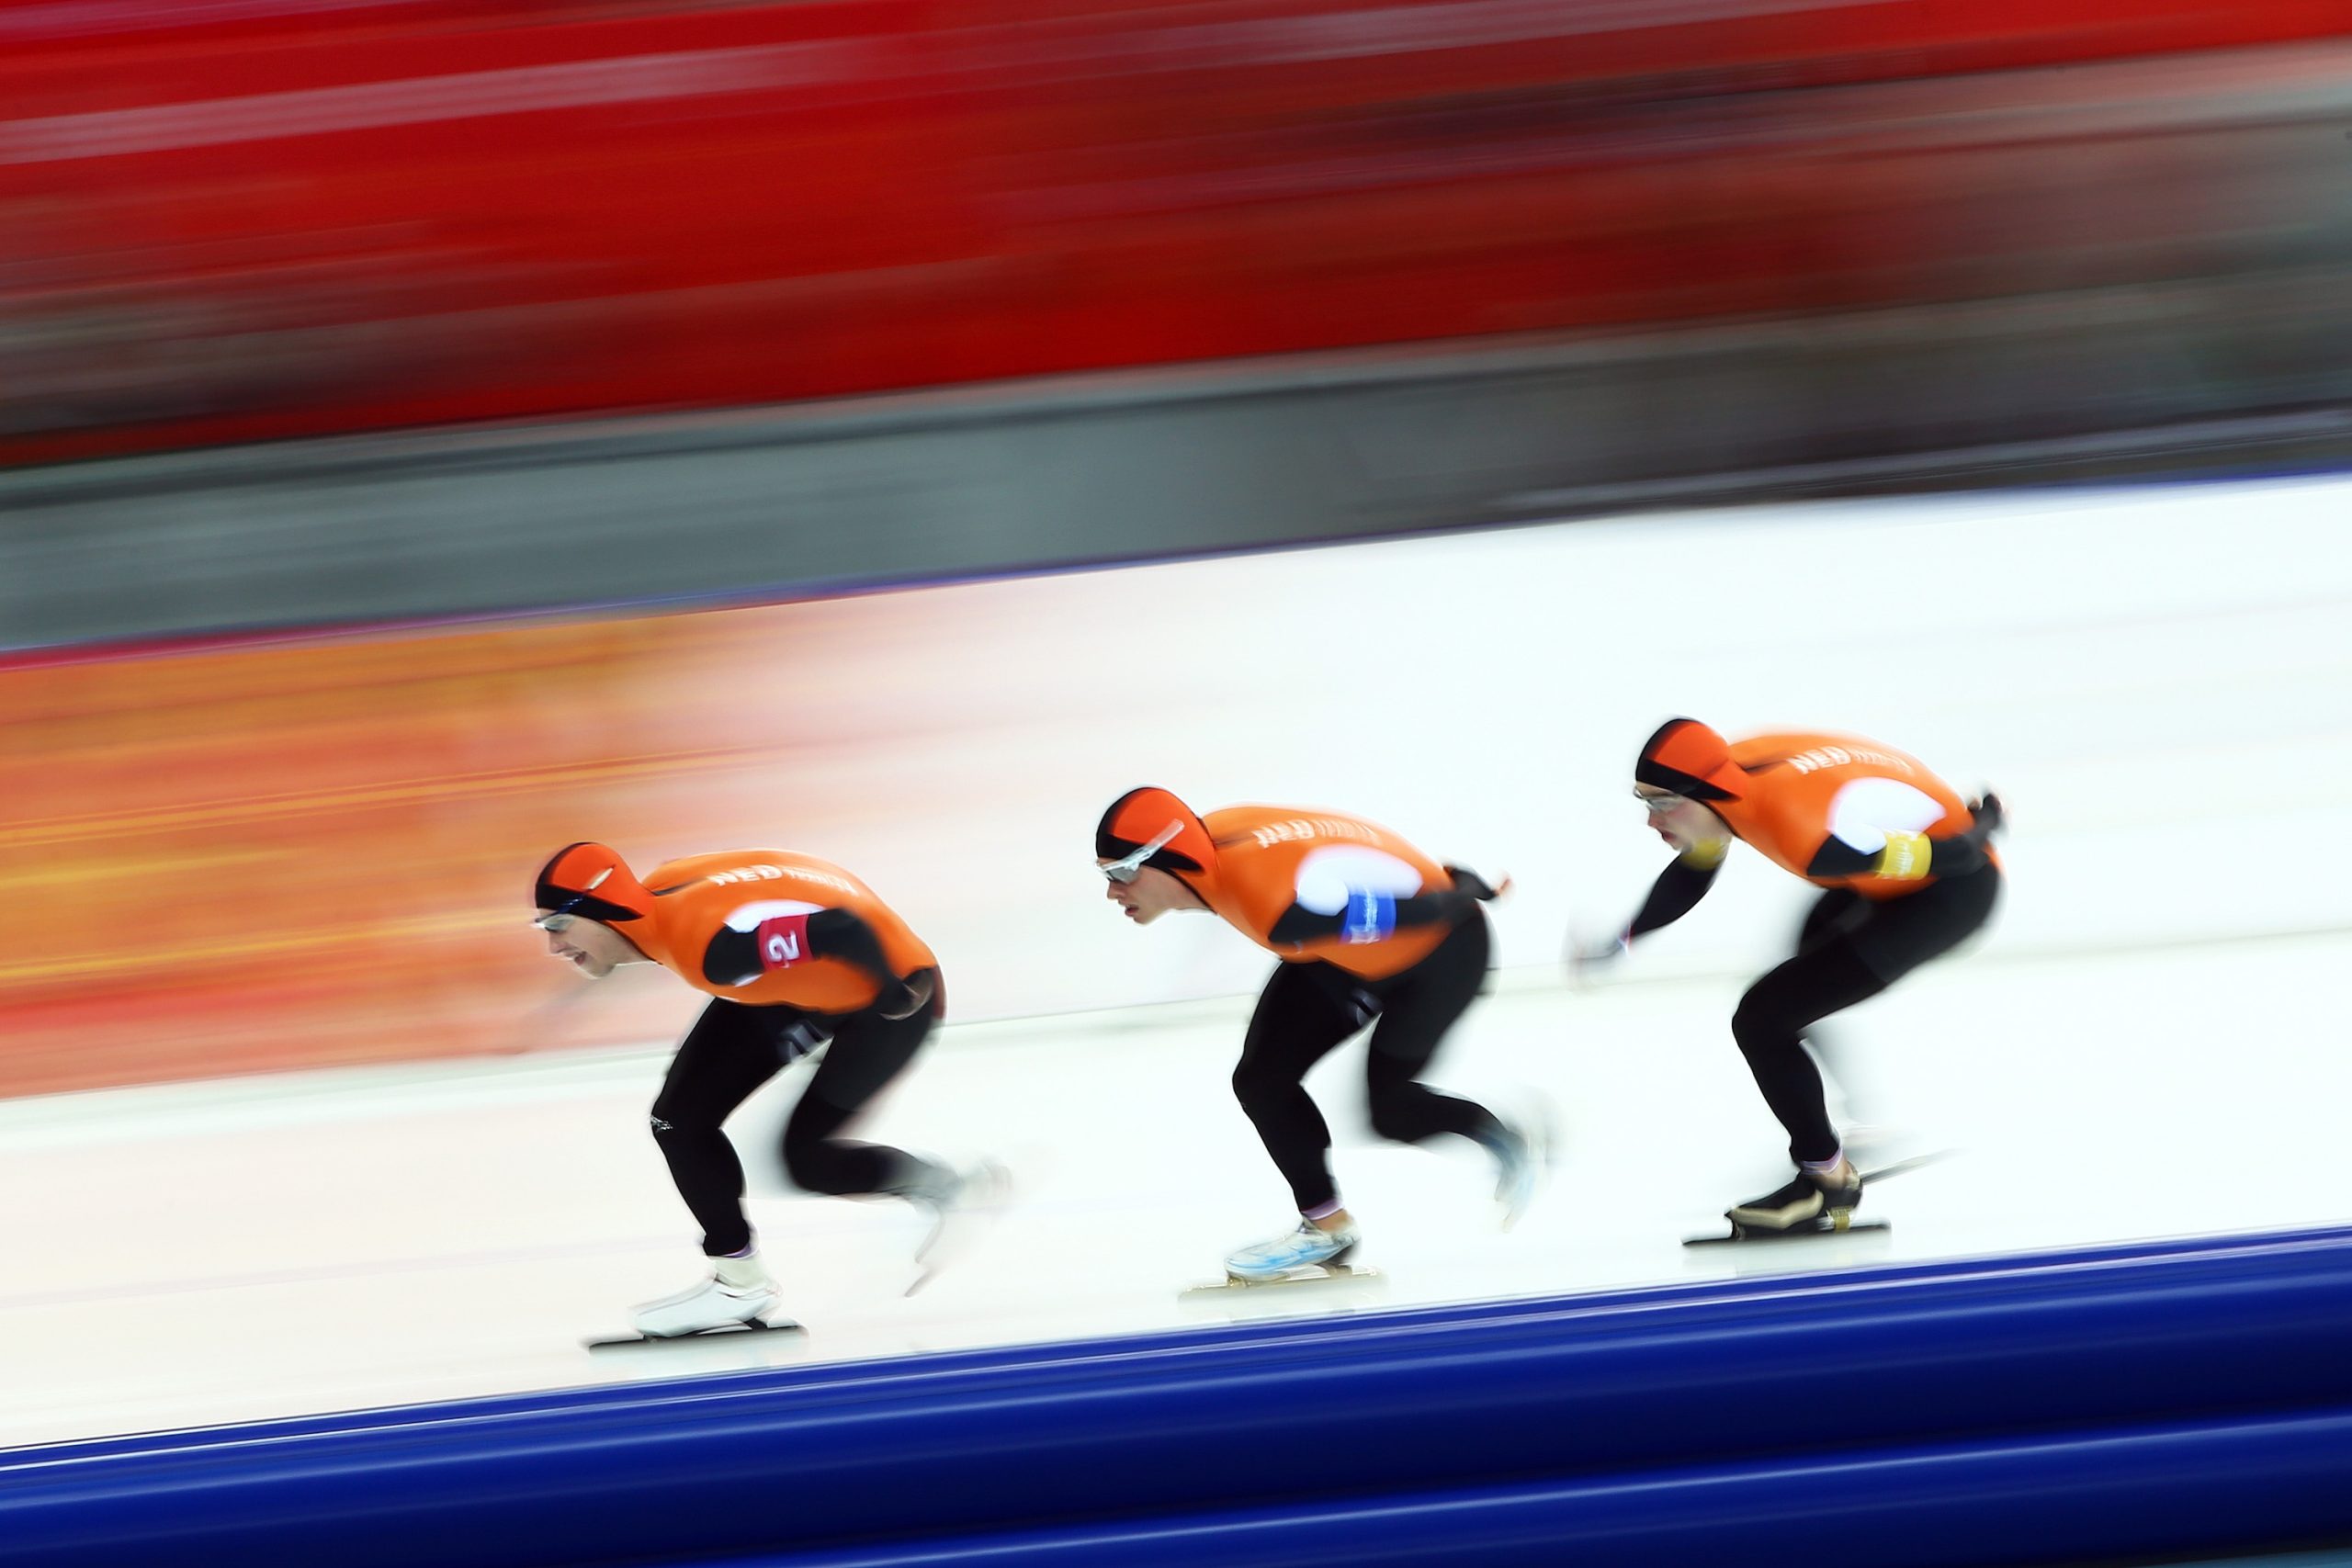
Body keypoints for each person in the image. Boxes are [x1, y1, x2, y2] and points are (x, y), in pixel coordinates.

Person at [1572, 720, 2004, 1234]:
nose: (1651, 821)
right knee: (1796, 981)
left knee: (1762, 1019)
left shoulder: (1804, 836)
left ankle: (1829, 1180)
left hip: (1947, 897)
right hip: (1881, 874)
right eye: (1644, 802)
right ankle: (1838, 1127)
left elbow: (1957, 856)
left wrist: (1981, 825)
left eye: (1662, 804)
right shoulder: (1728, 784)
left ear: (1706, 795)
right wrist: (1626, 936)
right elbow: (1695, 867)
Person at [532, 841, 977, 1336]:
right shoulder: (663, 897)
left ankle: (943, 1184)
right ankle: (739, 1282)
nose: (553, 947)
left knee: (805, 1161)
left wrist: (892, 990)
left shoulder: (712, 952)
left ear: (603, 912)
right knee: (678, 1120)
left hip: (893, 1001)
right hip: (798, 983)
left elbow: (842, 929)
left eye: (558, 927)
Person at [1095, 787, 1539, 1282]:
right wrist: (1447, 875)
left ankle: (1500, 1133)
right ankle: (1327, 1229)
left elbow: (1413, 910)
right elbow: (1340, 842)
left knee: (1389, 1111)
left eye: (1123, 873)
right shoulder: (1216, 838)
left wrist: (1454, 892)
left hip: (1443, 954)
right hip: (1345, 946)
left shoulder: (1271, 906)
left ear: (1171, 862)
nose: (1115, 891)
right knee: (1263, 1079)